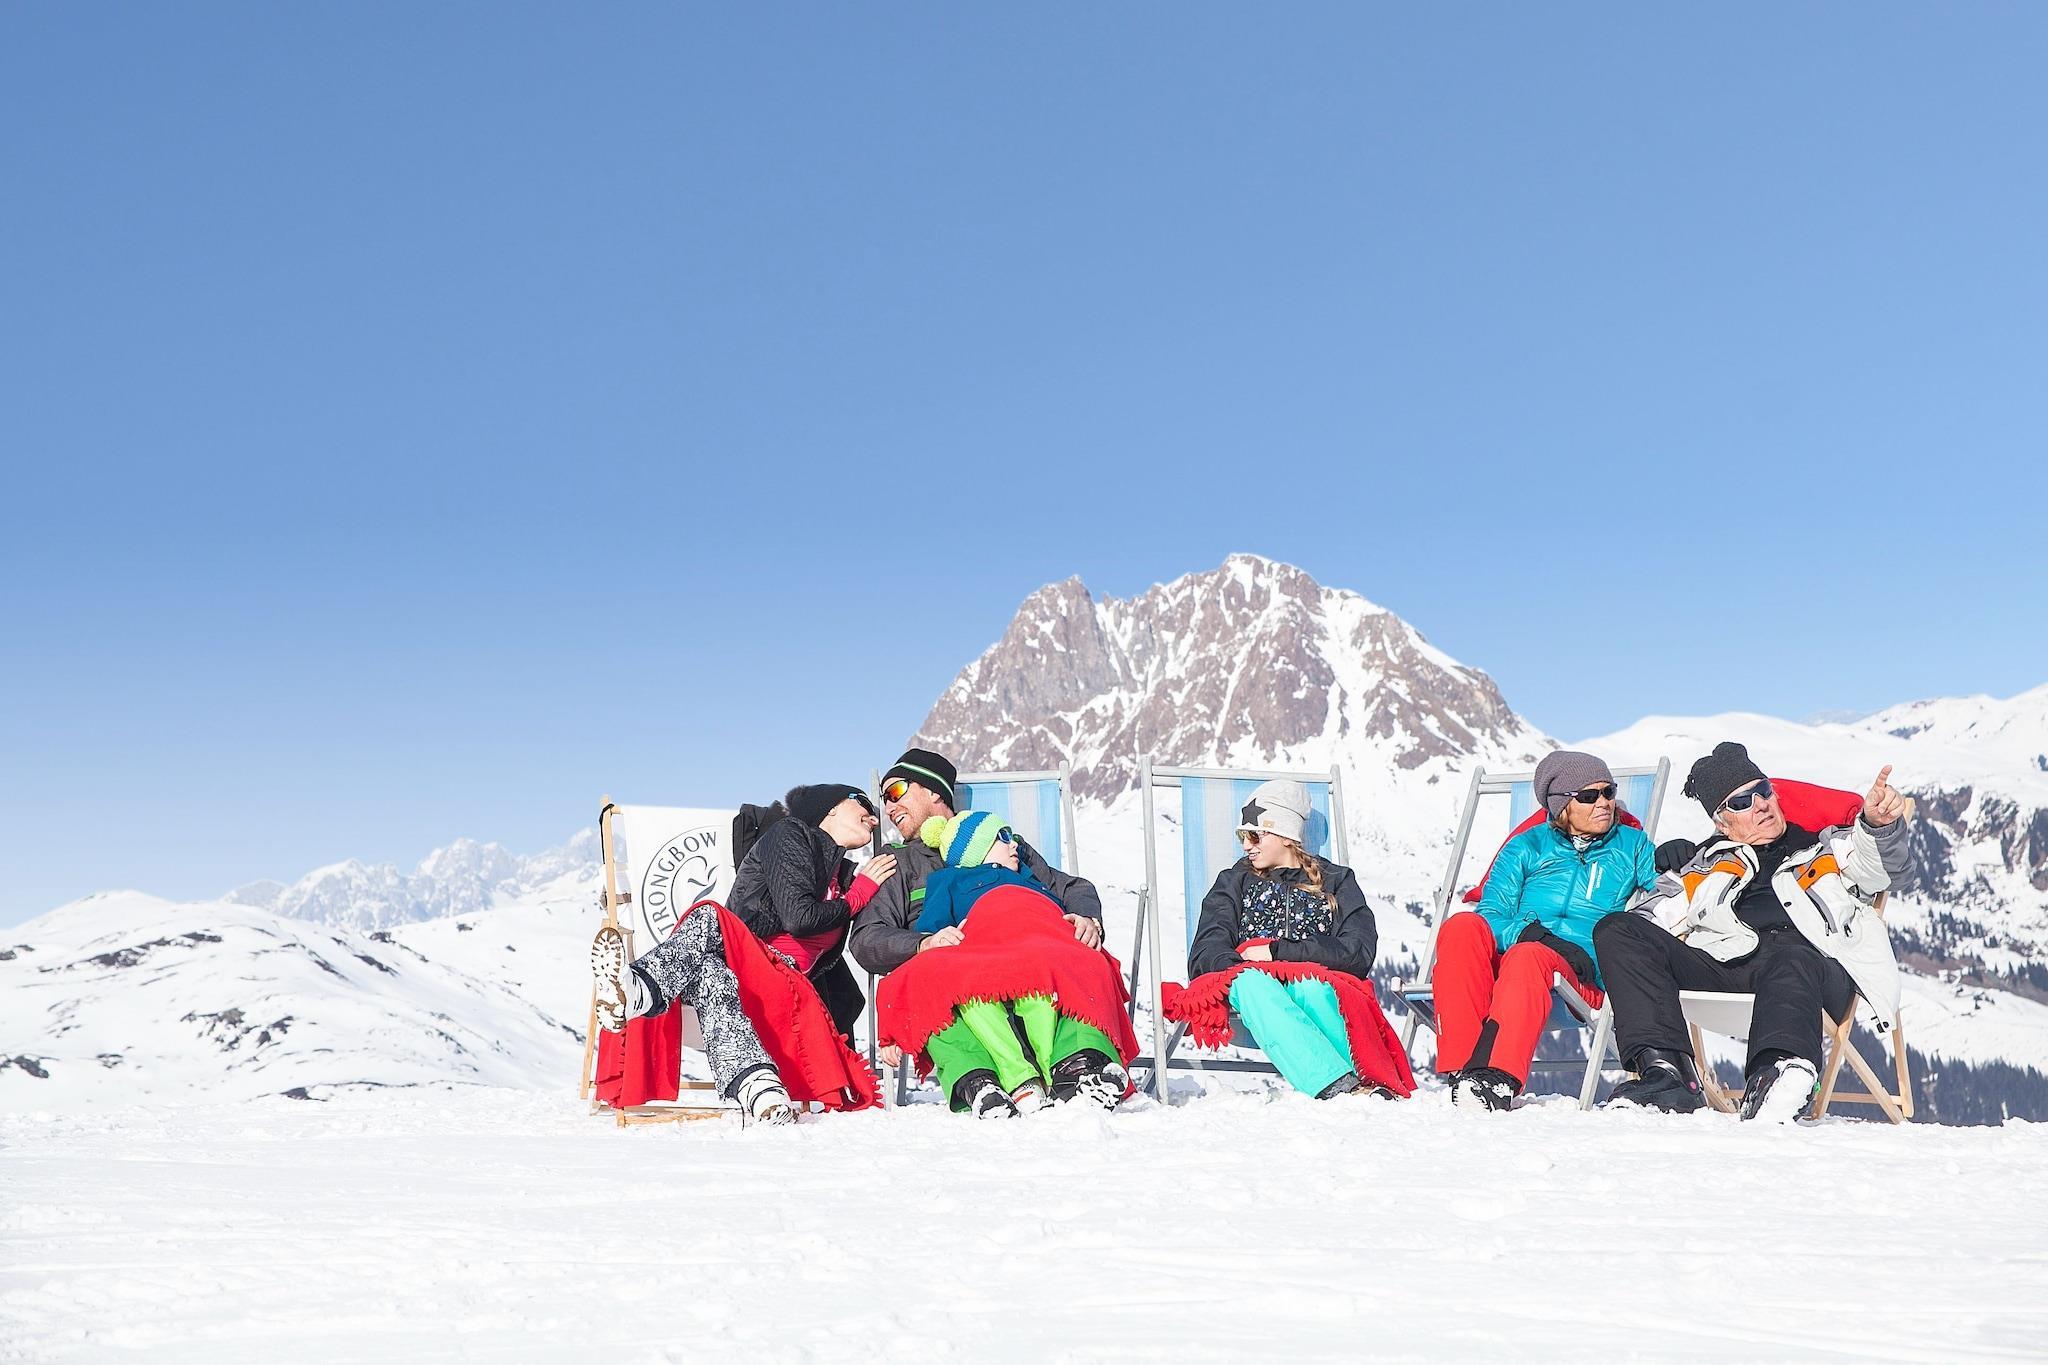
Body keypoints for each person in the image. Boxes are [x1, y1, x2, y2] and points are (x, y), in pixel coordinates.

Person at [1594, 743, 1910, 1123]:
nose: (1760, 804)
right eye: (1742, 802)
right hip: (1729, 967)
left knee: (1791, 956)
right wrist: (1659, 869)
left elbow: (1883, 870)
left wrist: (1877, 826)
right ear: (1722, 823)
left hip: (1813, 971)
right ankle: (1668, 1076)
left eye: (1763, 791)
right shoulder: (1703, 867)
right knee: (1617, 929)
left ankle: (1778, 1076)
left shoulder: (1826, 847)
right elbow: (1650, 922)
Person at [589, 784, 889, 1125]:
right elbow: (799, 917)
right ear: (830, 807)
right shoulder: (792, 835)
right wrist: (856, 897)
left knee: (710, 936)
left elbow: (811, 926)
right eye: (863, 803)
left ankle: (641, 990)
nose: (874, 817)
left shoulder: (844, 875)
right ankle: (762, 1092)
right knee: (711, 962)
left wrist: (858, 893)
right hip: (751, 964)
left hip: (783, 981)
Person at [1432, 751, 1658, 1112]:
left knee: (1529, 956)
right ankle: (1464, 1069)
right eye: (1589, 795)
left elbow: (1668, 894)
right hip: (1520, 959)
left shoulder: (1632, 846)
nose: (1604, 803)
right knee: (1461, 927)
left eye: (1609, 792)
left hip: (1583, 973)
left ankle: (1498, 1079)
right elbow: (1491, 915)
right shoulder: (1526, 846)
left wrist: (1682, 862)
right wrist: (1533, 935)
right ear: (1561, 805)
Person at [875, 808, 1136, 1117]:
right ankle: (1003, 1081)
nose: (1015, 844)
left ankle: (1079, 1068)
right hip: (988, 945)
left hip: (1043, 940)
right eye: (1003, 836)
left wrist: (1084, 918)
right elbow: (931, 928)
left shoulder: (1027, 874)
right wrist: (936, 937)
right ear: (976, 847)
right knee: (932, 977)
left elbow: (1072, 891)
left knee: (1088, 963)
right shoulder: (949, 880)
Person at [1180, 779, 1410, 1100]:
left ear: (1287, 835)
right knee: (1251, 983)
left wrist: (1278, 952)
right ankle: (1340, 1088)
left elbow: (1357, 951)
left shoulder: (1337, 881)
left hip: (1316, 985)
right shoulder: (1233, 882)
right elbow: (1206, 949)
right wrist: (1242, 965)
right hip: (1253, 986)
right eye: (1242, 836)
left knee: (1311, 988)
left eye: (1255, 835)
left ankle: (1356, 1082)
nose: (1246, 846)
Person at [848, 748, 1105, 976]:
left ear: (933, 791)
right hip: (950, 985)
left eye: (895, 792)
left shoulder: (1003, 841)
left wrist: (1087, 920)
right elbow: (867, 938)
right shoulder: (899, 861)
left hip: (1032, 966)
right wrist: (923, 943)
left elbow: (1072, 888)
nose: (889, 808)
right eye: (884, 800)